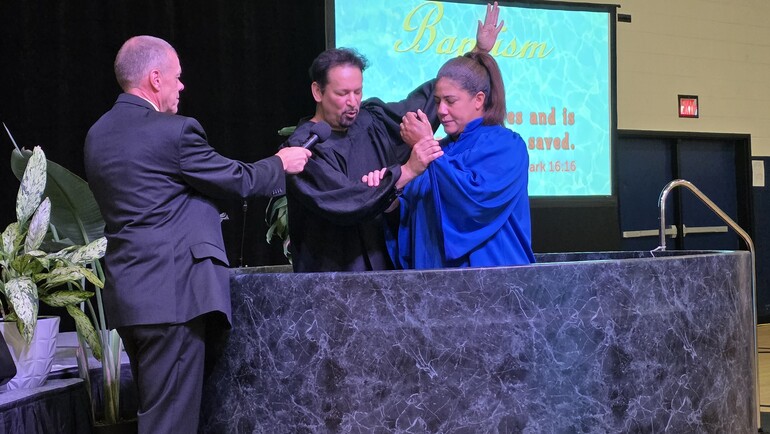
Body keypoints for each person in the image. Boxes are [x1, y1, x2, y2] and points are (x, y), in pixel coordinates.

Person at [83, 35, 310, 433]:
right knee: (169, 424)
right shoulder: (175, 132)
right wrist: (280, 162)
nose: (181, 86)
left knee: (158, 414)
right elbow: (236, 179)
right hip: (174, 298)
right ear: (155, 78)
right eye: (177, 77)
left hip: (131, 297)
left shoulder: (97, 134)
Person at [283, 2, 502, 272]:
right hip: (331, 281)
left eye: (357, 92)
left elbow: (429, 103)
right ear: (318, 92)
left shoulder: (370, 121)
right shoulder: (302, 151)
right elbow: (348, 202)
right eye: (342, 94)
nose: (352, 102)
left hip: (383, 279)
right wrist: (407, 172)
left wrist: (477, 55)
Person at [364, 50, 536, 269]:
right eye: (437, 101)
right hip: (436, 289)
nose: (441, 111)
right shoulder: (437, 151)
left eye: (450, 101)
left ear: (479, 100)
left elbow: (474, 203)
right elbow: (416, 216)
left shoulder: (507, 145)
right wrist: (390, 197)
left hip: (494, 286)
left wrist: (427, 144)